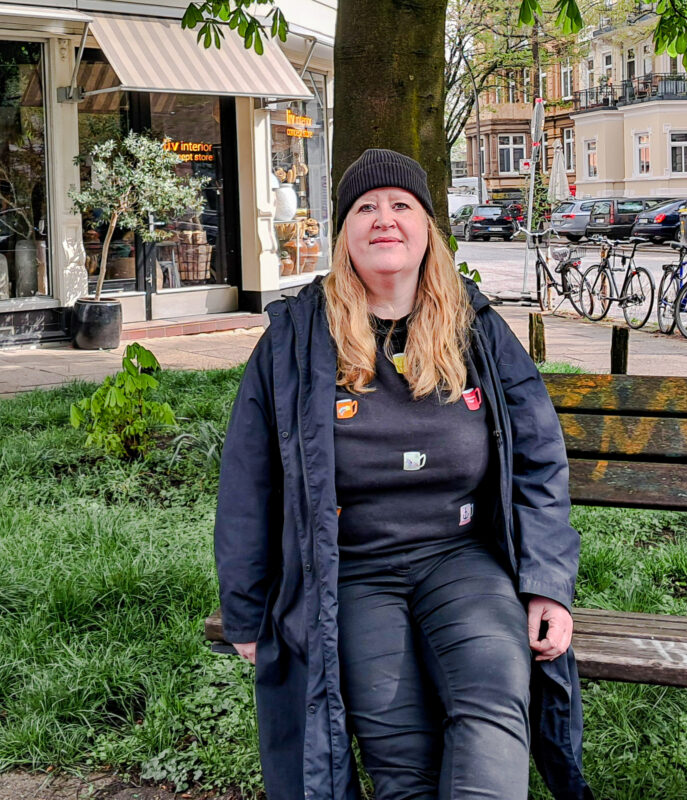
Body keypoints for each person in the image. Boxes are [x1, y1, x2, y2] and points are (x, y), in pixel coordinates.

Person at [214, 149, 591, 800]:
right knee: (401, 757)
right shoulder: (296, 339)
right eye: (364, 207)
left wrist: (548, 585)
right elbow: (249, 481)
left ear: (426, 229)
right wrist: (246, 616)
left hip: (462, 559)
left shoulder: (477, 330)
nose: (383, 218)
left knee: (495, 707)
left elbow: (538, 457)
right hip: (354, 569)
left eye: (400, 205)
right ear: (344, 235)